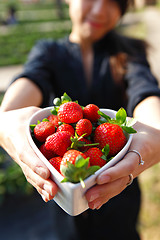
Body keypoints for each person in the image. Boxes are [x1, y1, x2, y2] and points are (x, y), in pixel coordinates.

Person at [1, 0, 160, 239]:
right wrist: (6, 119)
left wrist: (155, 128)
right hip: (62, 202)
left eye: (112, 2)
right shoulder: (49, 52)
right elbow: (30, 79)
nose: (99, 10)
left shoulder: (130, 53)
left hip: (119, 201)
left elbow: (144, 92)